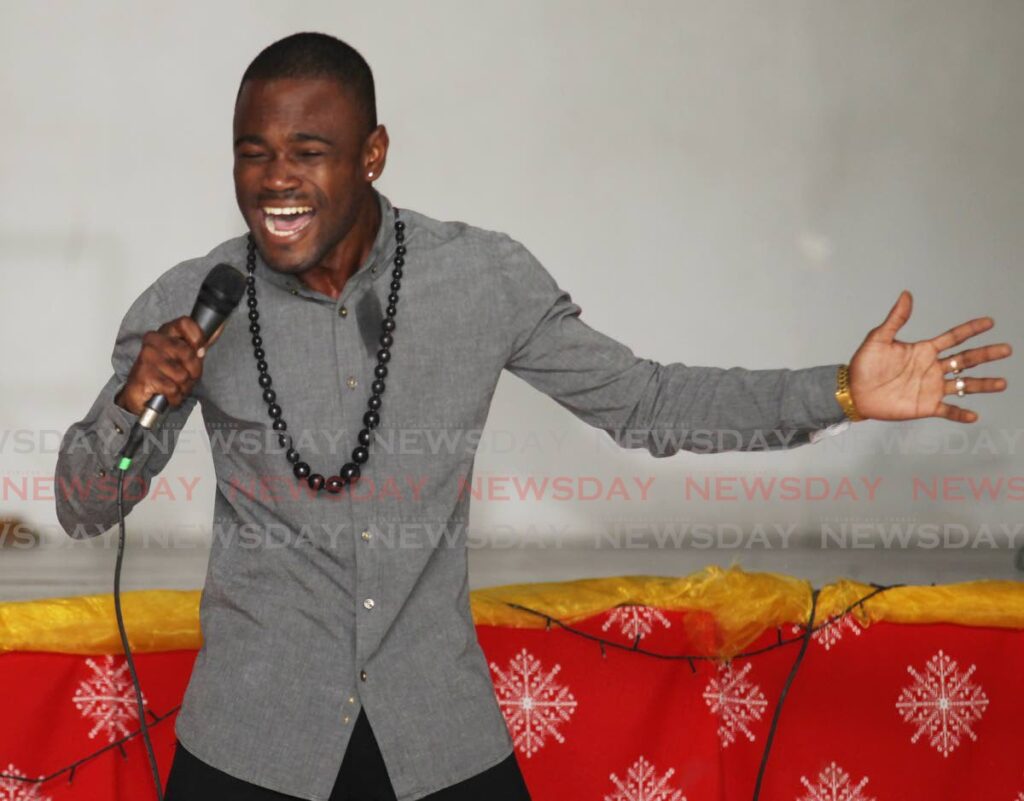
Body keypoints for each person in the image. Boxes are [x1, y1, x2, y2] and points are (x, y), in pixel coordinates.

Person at [54, 31, 1011, 801]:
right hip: (253, 741)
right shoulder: (191, 306)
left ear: (374, 153)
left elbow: (647, 402)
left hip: (435, 732)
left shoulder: (482, 278)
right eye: (253, 153)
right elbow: (83, 505)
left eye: (309, 151)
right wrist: (139, 399)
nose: (276, 180)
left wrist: (839, 391)